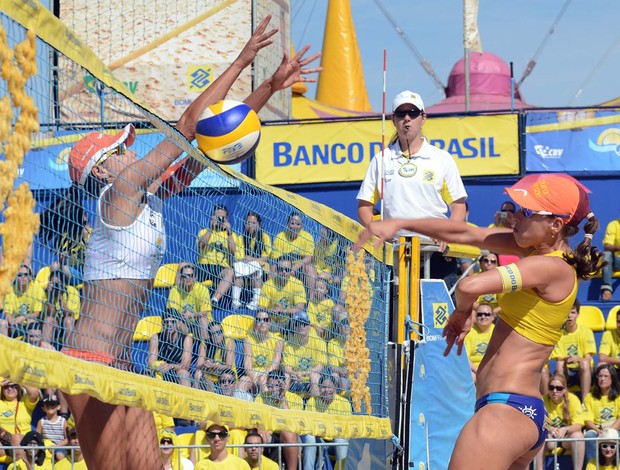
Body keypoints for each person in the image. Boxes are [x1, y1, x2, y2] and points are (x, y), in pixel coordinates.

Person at [38, 15, 321, 469]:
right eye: (122, 148)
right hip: (88, 361)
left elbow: (209, 139)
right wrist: (243, 59)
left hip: (121, 361)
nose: (131, 150)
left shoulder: (143, 198)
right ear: (106, 169)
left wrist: (268, 87)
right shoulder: (122, 190)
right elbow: (189, 122)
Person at [355, 173, 602, 469]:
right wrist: (400, 223)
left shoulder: (552, 266)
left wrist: (462, 313)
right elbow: (464, 234)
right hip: (515, 411)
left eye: (526, 212)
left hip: (504, 412)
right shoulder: (539, 255)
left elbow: (468, 286)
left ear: (555, 225)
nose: (516, 217)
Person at [356, 90, 467, 278]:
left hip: (434, 252)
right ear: (393, 120)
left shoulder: (441, 158)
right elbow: (364, 207)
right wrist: (379, 230)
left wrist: (446, 234)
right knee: (394, 308)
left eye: (413, 113)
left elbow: (458, 206)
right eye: (401, 113)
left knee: (434, 308)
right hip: (395, 253)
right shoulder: (382, 159)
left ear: (423, 118)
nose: (407, 118)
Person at [534, 374, 585, 470]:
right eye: (551, 387)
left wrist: (565, 429)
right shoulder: (542, 400)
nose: (554, 391)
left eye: (559, 388)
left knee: (578, 436)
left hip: (566, 438)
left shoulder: (573, 399)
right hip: (550, 438)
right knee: (539, 435)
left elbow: (579, 425)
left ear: (565, 389)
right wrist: (550, 428)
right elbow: (538, 421)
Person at [302, 375, 352, 470]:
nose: (326, 390)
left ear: (336, 389)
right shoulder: (312, 401)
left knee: (340, 440)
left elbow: (347, 428)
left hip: (334, 440)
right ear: (319, 388)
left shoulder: (344, 403)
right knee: (309, 438)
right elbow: (308, 425)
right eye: (323, 387)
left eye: (329, 387)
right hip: (318, 439)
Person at [550, 299, 596, 402]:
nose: (570, 316)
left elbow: (588, 359)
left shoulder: (586, 332)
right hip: (567, 369)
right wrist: (566, 359)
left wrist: (578, 359)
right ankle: (562, 400)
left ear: (578, 314)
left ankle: (585, 402)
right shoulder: (558, 333)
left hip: (583, 370)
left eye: (573, 312)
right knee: (560, 364)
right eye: (567, 313)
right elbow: (558, 357)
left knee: (584, 364)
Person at [253, 371, 301, 469]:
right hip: (269, 433)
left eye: (277, 386)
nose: (274, 389)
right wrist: (260, 428)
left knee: (288, 434)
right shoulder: (261, 396)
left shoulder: (295, 398)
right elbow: (256, 417)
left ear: (284, 385)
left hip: (289, 435)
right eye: (270, 386)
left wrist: (282, 398)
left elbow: (293, 424)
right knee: (258, 434)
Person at [196, 204, 237, 309]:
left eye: (222, 218)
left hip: (220, 268)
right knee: (184, 266)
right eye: (217, 217)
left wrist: (229, 233)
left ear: (226, 219)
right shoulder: (204, 231)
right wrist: (211, 229)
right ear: (212, 217)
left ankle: (214, 299)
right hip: (204, 266)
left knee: (230, 272)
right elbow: (200, 246)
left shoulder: (231, 235)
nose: (220, 220)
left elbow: (233, 252)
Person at [232, 211, 271, 311]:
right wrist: (247, 260)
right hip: (245, 267)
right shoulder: (241, 238)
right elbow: (239, 257)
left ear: (259, 224)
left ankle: (255, 302)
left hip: (261, 267)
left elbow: (266, 257)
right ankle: (235, 302)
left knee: (255, 269)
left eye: (253, 223)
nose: (251, 225)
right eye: (248, 223)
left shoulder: (265, 237)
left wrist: (253, 259)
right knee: (238, 272)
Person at [283, 312, 326, 398]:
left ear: (309, 325)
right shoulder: (289, 344)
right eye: (297, 324)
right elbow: (287, 368)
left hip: (311, 379)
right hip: (295, 379)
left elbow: (319, 367)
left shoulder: (319, 342)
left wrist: (302, 374)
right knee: (286, 376)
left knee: (314, 376)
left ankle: (315, 407)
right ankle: (283, 404)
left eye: (304, 323)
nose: (301, 326)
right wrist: (295, 374)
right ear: (294, 327)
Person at [258, 254, 307, 331]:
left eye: (287, 269)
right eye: (281, 269)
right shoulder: (268, 285)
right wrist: (273, 311)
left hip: (290, 322)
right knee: (261, 317)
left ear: (291, 270)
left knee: (302, 316)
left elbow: (300, 308)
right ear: (276, 270)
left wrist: (284, 311)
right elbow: (261, 307)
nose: (284, 272)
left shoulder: (298, 284)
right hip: (272, 322)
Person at [582, 363, 620, 463]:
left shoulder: (619, 396)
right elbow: (588, 421)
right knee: (589, 436)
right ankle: (593, 466)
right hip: (597, 429)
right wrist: (600, 432)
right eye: (600, 376)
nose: (602, 379)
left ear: (612, 379)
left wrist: (609, 432)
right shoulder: (590, 397)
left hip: (615, 428)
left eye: (606, 376)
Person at [271, 212, 317, 292]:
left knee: (310, 268)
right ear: (288, 224)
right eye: (292, 223)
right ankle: (271, 296)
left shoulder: (307, 236)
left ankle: (311, 301)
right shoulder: (280, 237)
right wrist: (288, 269)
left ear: (301, 226)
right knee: (273, 268)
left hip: (300, 268)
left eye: (298, 224)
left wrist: (295, 268)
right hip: (284, 268)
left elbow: (309, 257)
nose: (295, 227)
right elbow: (277, 259)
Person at [166, 262, 212, 340]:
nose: (188, 278)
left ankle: (204, 348)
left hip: (199, 323)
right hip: (183, 324)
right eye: (185, 276)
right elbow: (172, 312)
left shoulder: (203, 289)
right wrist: (183, 315)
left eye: (190, 275)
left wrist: (192, 315)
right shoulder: (175, 290)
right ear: (181, 278)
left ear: (195, 278)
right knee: (173, 322)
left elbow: (205, 312)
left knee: (203, 320)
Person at [148, 310, 194, 387]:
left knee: (184, 374)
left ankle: (185, 399)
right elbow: (151, 361)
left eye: (173, 322)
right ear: (162, 323)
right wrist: (158, 366)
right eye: (166, 322)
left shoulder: (186, 339)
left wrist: (170, 366)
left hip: (177, 372)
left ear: (178, 323)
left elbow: (185, 365)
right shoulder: (156, 337)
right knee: (147, 374)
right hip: (160, 370)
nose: (169, 324)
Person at [242, 311, 283, 395]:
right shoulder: (248, 340)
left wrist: (263, 377)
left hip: (270, 375)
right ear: (255, 323)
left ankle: (268, 404)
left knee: (263, 379)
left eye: (265, 320)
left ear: (270, 323)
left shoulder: (278, 341)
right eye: (259, 320)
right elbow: (247, 367)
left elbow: (275, 365)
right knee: (243, 380)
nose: (262, 322)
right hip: (253, 374)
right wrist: (255, 379)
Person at [0, 264, 45, 337]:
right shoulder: (10, 290)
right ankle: (6, 347)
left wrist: (24, 317)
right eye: (20, 275)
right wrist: (12, 322)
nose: (23, 277)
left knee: (31, 322)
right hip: (15, 324)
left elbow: (37, 313)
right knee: (4, 323)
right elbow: (7, 313)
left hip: (30, 321)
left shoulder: (37, 288)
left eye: (26, 275)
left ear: (30, 277)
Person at [0, 381, 40, 461]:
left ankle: (20, 463)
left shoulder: (24, 402)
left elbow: (35, 393)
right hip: (4, 442)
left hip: (24, 441)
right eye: (6, 387)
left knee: (15, 438)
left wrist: (17, 380)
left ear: (18, 388)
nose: (10, 389)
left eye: (14, 386)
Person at [41, 268, 80, 346]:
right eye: (54, 283)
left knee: (68, 320)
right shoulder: (46, 293)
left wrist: (60, 298)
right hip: (56, 324)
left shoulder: (72, 291)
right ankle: (45, 348)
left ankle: (69, 349)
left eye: (58, 283)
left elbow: (70, 314)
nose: (56, 286)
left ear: (63, 283)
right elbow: (50, 314)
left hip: (71, 324)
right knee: (49, 319)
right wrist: (51, 297)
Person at [194, 321, 236, 392]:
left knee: (226, 378)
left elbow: (228, 366)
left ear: (222, 333)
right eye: (213, 333)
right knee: (198, 373)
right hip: (210, 378)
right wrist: (205, 363)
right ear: (209, 335)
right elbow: (199, 365)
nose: (216, 336)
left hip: (225, 378)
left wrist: (213, 365)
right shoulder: (205, 343)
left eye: (219, 332)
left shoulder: (228, 342)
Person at [463, 303, 495, 383]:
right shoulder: (469, 332)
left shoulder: (497, 331)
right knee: (471, 377)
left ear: (493, 317)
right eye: (480, 314)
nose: (483, 317)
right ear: (475, 316)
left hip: (493, 369)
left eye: (487, 314)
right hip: (474, 370)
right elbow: (466, 358)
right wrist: (478, 372)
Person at [35, 394, 68, 462]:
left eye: (53, 404)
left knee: (59, 455)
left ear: (58, 407)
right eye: (47, 405)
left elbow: (67, 439)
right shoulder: (41, 421)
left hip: (59, 447)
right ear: (43, 408)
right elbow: (37, 437)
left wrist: (56, 446)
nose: (50, 407)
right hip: (46, 447)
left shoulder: (63, 421)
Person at [327, 317, 351, 396]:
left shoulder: (356, 343)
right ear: (339, 327)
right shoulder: (332, 343)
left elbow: (359, 365)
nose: (346, 326)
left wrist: (349, 371)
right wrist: (341, 370)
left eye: (348, 324)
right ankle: (340, 403)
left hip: (352, 374)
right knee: (335, 376)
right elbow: (332, 366)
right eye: (343, 324)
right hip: (340, 374)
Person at [601, 216, 620, 301]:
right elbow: (607, 246)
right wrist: (618, 248)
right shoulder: (613, 225)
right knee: (607, 254)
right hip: (617, 260)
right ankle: (607, 289)